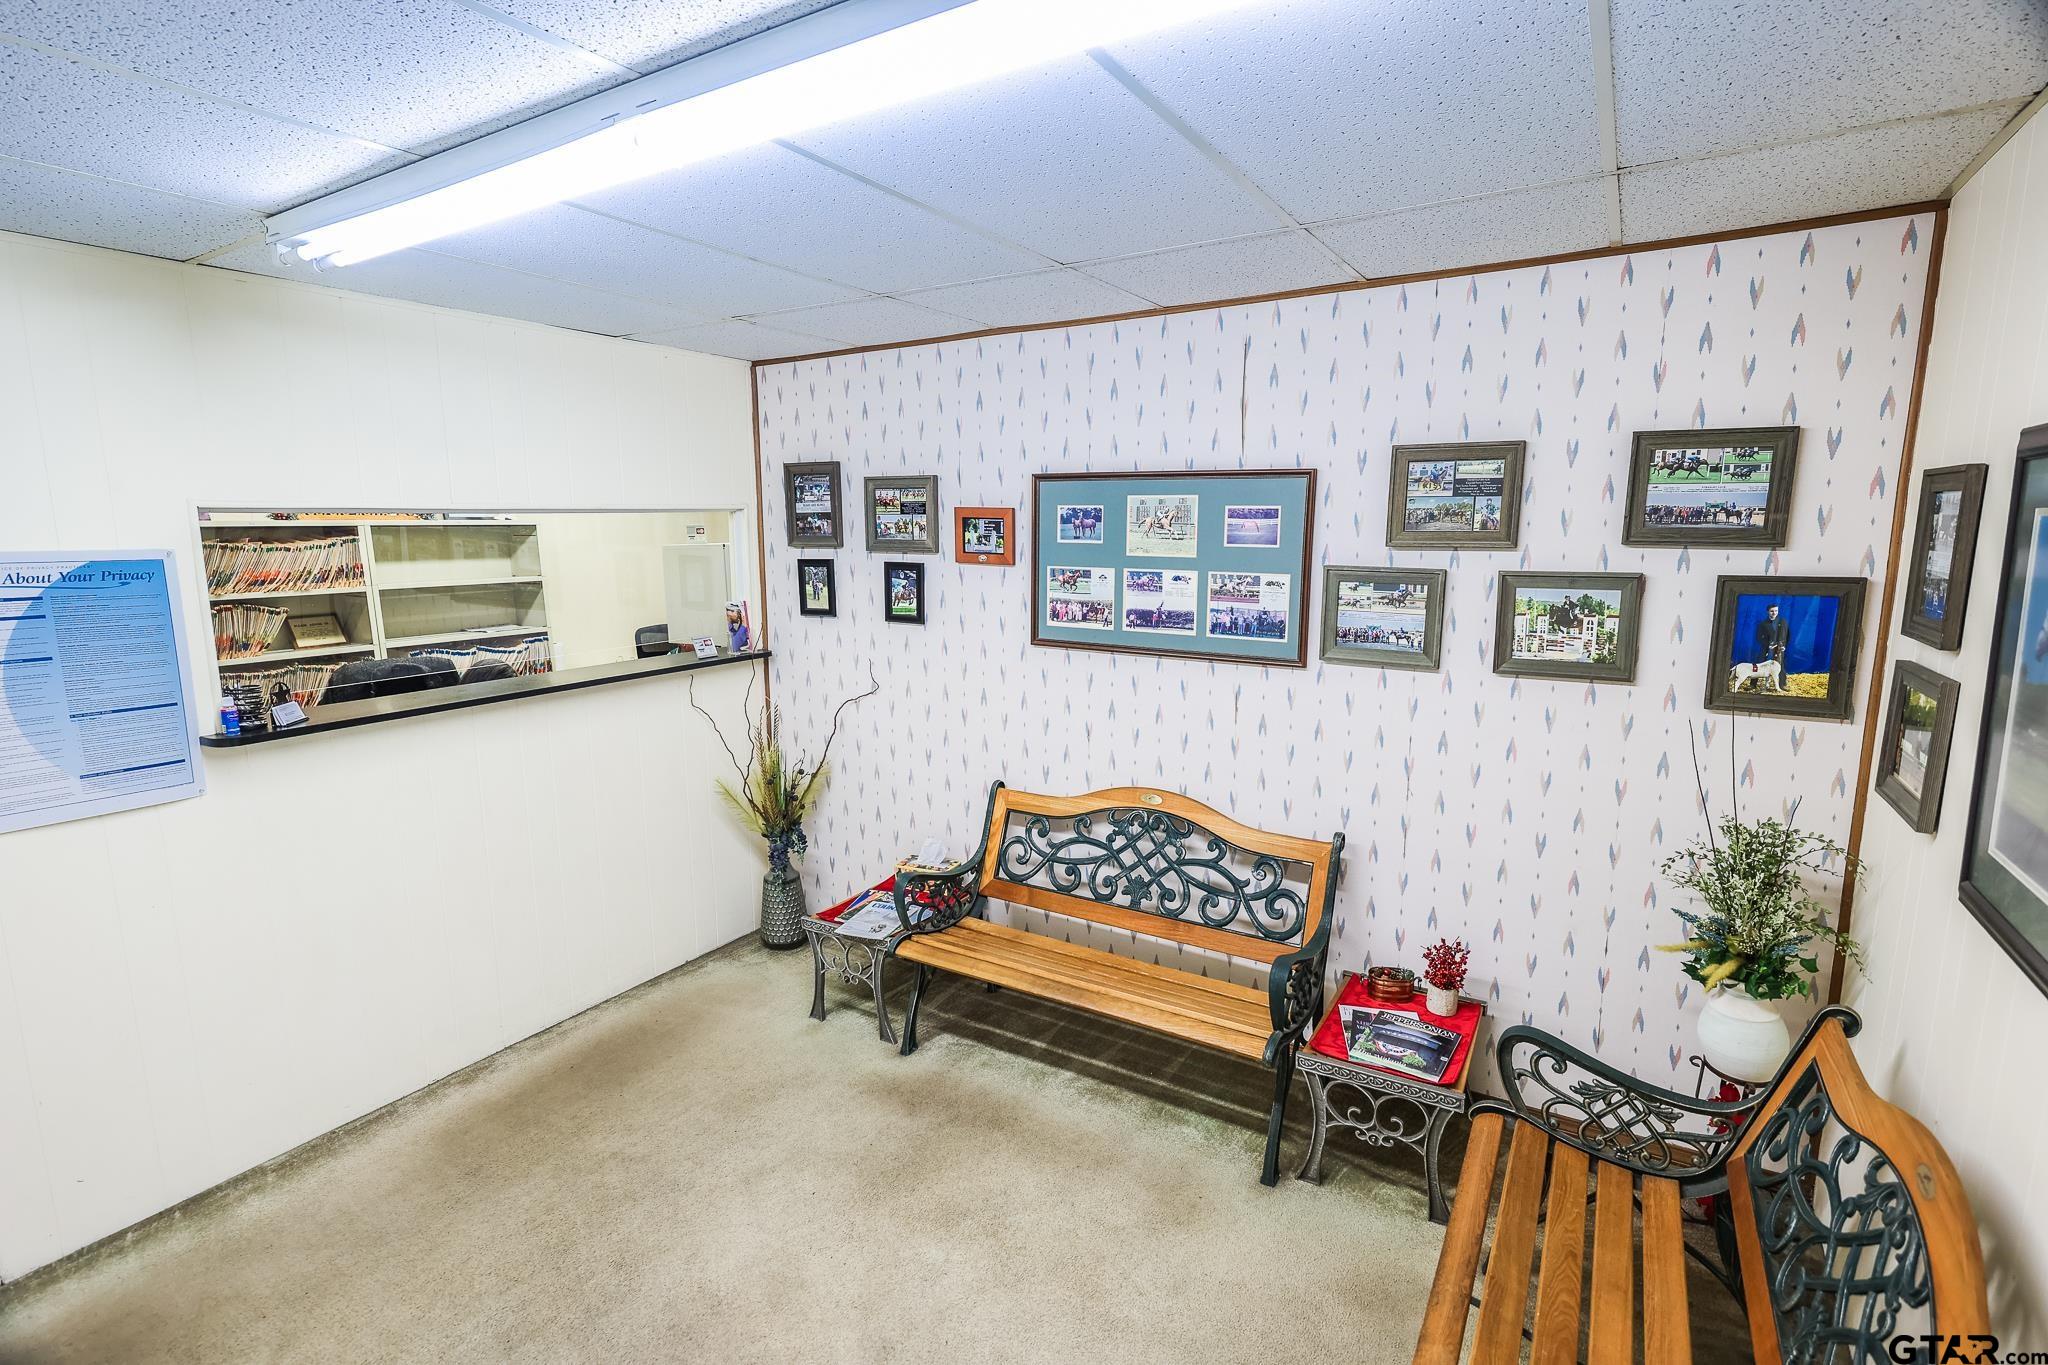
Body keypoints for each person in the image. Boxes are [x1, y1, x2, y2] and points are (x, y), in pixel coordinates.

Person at [1754, 602, 1788, 668]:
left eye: (1776, 611)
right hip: (1767, 648)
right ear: (1768, 612)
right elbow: (1759, 637)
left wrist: (1783, 645)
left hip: (1779, 649)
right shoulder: (1763, 624)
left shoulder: (1783, 621)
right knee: (1762, 664)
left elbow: (1787, 635)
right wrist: (1768, 645)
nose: (1774, 613)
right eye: (1772, 611)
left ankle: (1780, 675)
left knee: (1779, 666)